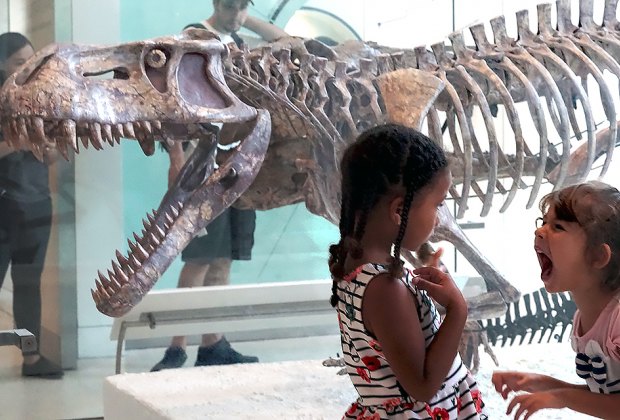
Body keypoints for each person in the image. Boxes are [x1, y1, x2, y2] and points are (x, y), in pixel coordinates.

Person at [151, 0, 287, 371]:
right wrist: (176, 158)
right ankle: (176, 347)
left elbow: (287, 40)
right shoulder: (196, 37)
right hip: (204, 164)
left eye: (243, 5)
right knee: (198, 259)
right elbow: (173, 101)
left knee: (223, 258)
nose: (237, 12)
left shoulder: (239, 42)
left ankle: (212, 343)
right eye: (230, 5)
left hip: (238, 164)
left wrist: (242, 20)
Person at [329, 124, 486, 418]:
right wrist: (457, 310)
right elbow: (423, 387)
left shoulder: (356, 265)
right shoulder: (385, 289)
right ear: (399, 210)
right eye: (438, 205)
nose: (440, 219)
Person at [492, 181, 620, 419]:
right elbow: (606, 396)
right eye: (543, 223)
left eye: (558, 227)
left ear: (599, 256)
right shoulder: (583, 317)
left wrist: (562, 398)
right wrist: (543, 384)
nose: (539, 231)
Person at [0, 32, 61, 378]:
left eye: (31, 60)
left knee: (28, 285)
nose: (28, 68)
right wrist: (18, 141)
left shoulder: (39, 100)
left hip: (36, 203)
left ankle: (31, 359)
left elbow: (51, 156)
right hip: (2, 206)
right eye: (19, 62)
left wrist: (49, 147)